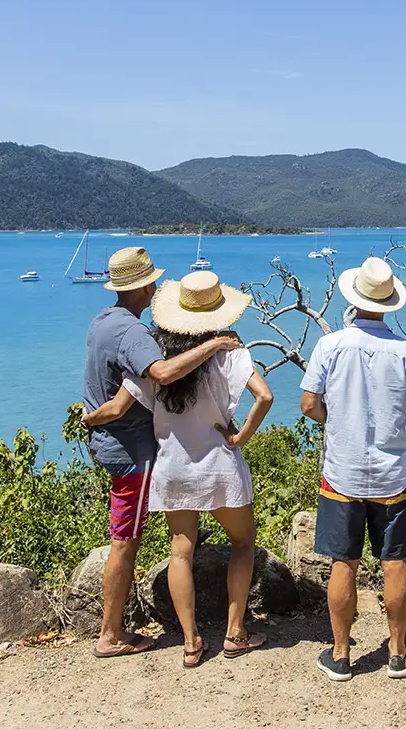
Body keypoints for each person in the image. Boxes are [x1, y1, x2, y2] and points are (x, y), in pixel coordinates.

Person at [83, 270, 273, 668]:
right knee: (243, 544)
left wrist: (87, 419)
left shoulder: (155, 355)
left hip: (173, 468)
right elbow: (264, 396)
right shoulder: (229, 353)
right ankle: (235, 633)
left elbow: (118, 407)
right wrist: (241, 437)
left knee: (181, 552)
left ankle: (191, 643)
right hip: (220, 466)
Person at [300, 257, 406, 682]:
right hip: (393, 473)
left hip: (342, 471)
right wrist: (395, 421)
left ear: (353, 300)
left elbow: (308, 404)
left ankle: (341, 655)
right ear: (389, 303)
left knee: (344, 562)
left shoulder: (331, 346)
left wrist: (337, 422)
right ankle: (397, 651)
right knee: (395, 562)